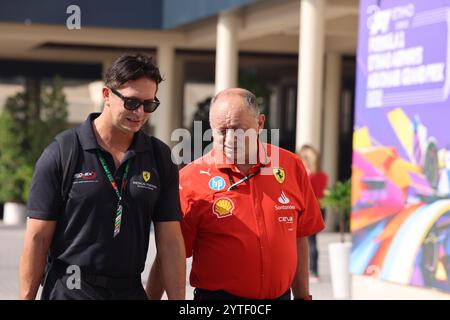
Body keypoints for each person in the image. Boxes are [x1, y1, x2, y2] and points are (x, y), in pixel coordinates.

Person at [19, 53, 185, 300]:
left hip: (129, 290)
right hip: (71, 290)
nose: (139, 112)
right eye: (131, 102)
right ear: (107, 95)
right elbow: (38, 238)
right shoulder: (64, 152)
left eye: (149, 105)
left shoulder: (160, 157)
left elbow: (170, 243)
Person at [147, 88, 325, 300]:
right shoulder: (190, 179)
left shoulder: (291, 166)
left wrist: (303, 296)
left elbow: (299, 236)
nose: (231, 139)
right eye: (222, 131)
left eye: (239, 130)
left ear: (260, 123)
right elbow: (169, 254)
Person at [299, 145, 328, 283]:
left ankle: (310, 271)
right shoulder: (322, 176)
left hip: (308, 208)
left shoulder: (305, 175)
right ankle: (314, 271)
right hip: (320, 208)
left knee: (305, 242)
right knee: (312, 241)